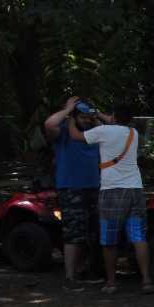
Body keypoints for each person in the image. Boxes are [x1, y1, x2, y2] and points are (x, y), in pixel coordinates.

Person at [68, 100, 154, 295]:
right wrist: (99, 114)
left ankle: (111, 282)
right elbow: (114, 121)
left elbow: (75, 136)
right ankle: (147, 280)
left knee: (109, 238)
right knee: (139, 237)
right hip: (135, 189)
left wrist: (70, 119)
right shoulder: (134, 133)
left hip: (112, 191)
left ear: (114, 117)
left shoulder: (104, 132)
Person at [43, 96, 110, 291]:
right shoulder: (63, 132)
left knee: (92, 232)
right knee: (73, 234)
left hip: (94, 188)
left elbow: (116, 124)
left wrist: (95, 114)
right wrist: (68, 109)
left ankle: (86, 270)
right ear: (73, 117)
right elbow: (49, 123)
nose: (86, 120)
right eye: (82, 117)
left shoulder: (95, 133)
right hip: (71, 188)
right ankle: (70, 277)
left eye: (88, 117)